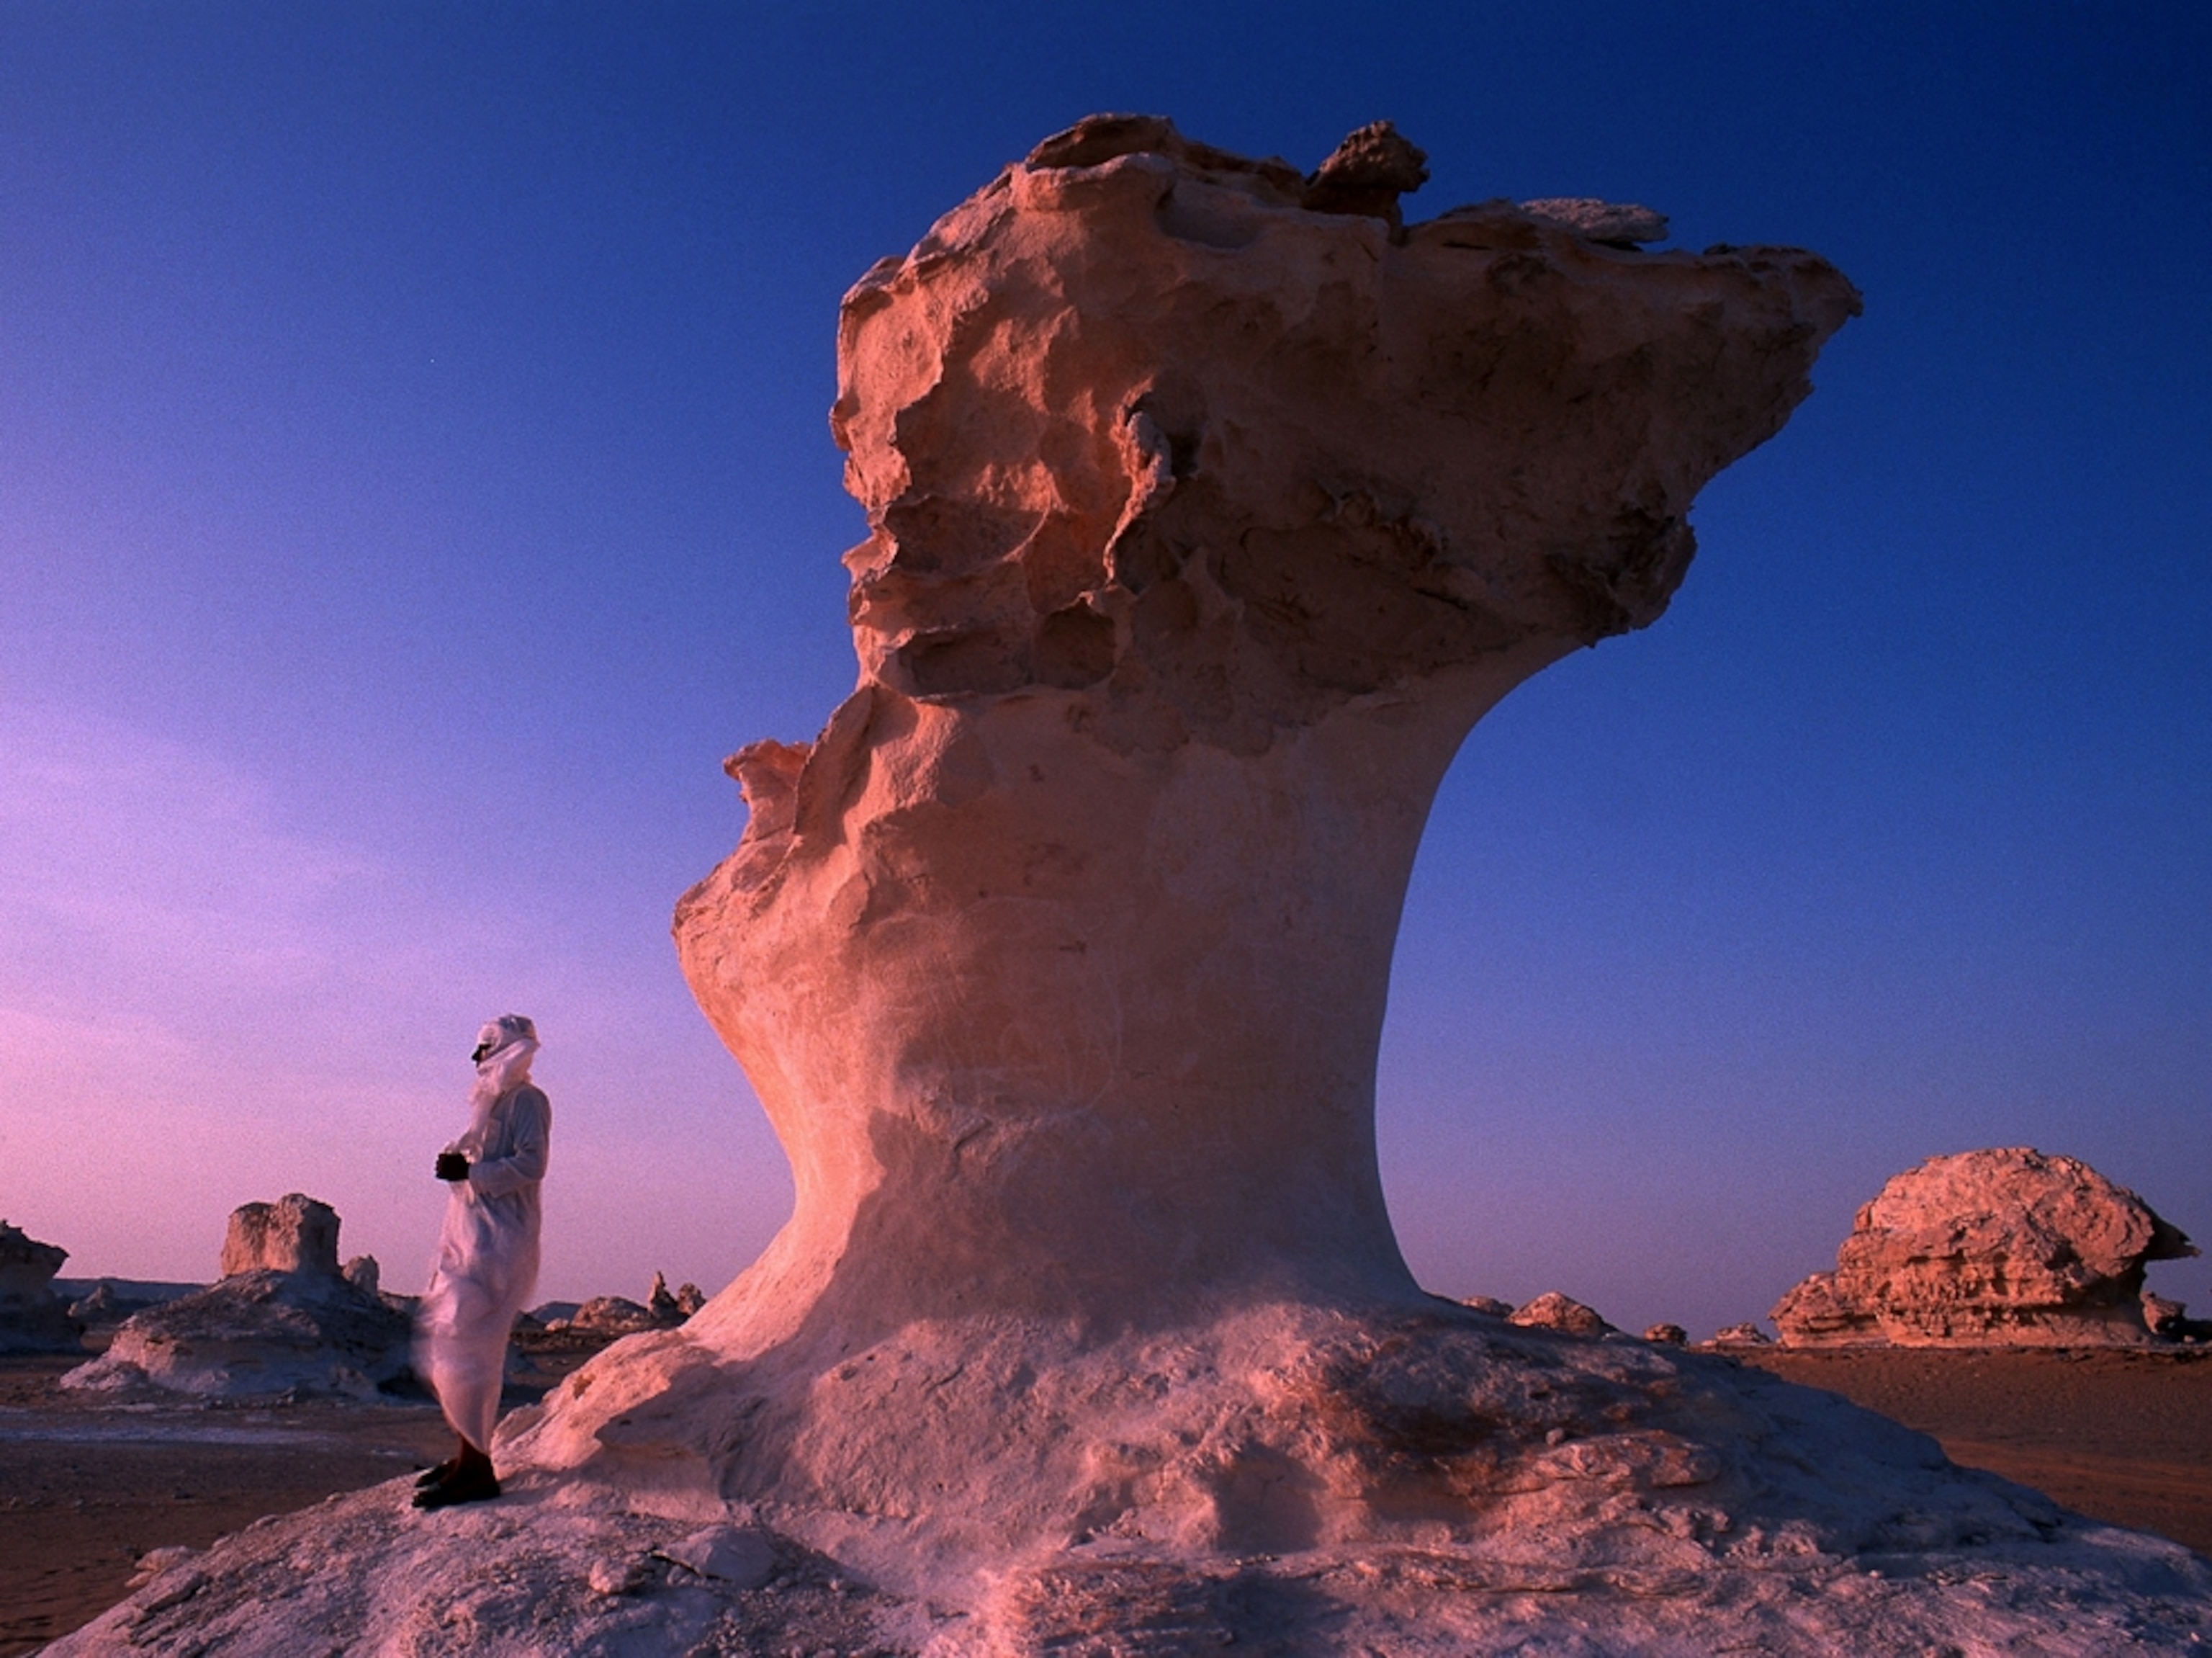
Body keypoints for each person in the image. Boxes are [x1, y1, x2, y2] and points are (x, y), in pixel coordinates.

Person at [412, 1013, 550, 1510]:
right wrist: (458, 1166)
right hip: (472, 1239)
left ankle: (479, 1470)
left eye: (485, 1048)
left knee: (473, 1352)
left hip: (500, 1244)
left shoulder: (528, 1102)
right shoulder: (490, 1105)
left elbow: (532, 1165)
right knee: (452, 1347)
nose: (476, 1059)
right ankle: (468, 1458)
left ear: (508, 1048)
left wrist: (470, 1171)